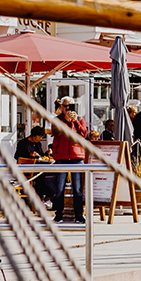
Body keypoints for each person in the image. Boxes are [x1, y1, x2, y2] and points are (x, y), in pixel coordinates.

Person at [51, 96, 87, 224]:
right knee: (59, 189)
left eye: (70, 106)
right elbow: (56, 133)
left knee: (77, 189)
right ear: (61, 107)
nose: (67, 109)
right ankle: (58, 215)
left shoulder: (80, 119)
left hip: (76, 156)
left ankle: (79, 215)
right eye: (65, 106)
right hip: (61, 157)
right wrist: (65, 121)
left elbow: (83, 134)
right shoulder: (57, 120)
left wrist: (75, 121)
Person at [15, 126, 54, 204]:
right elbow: (17, 156)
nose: (40, 139)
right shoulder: (23, 143)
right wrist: (30, 155)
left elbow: (41, 155)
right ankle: (41, 198)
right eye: (39, 137)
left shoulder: (38, 144)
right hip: (26, 168)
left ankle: (47, 196)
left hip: (37, 167)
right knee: (41, 176)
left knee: (49, 174)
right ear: (34, 135)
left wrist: (47, 153)